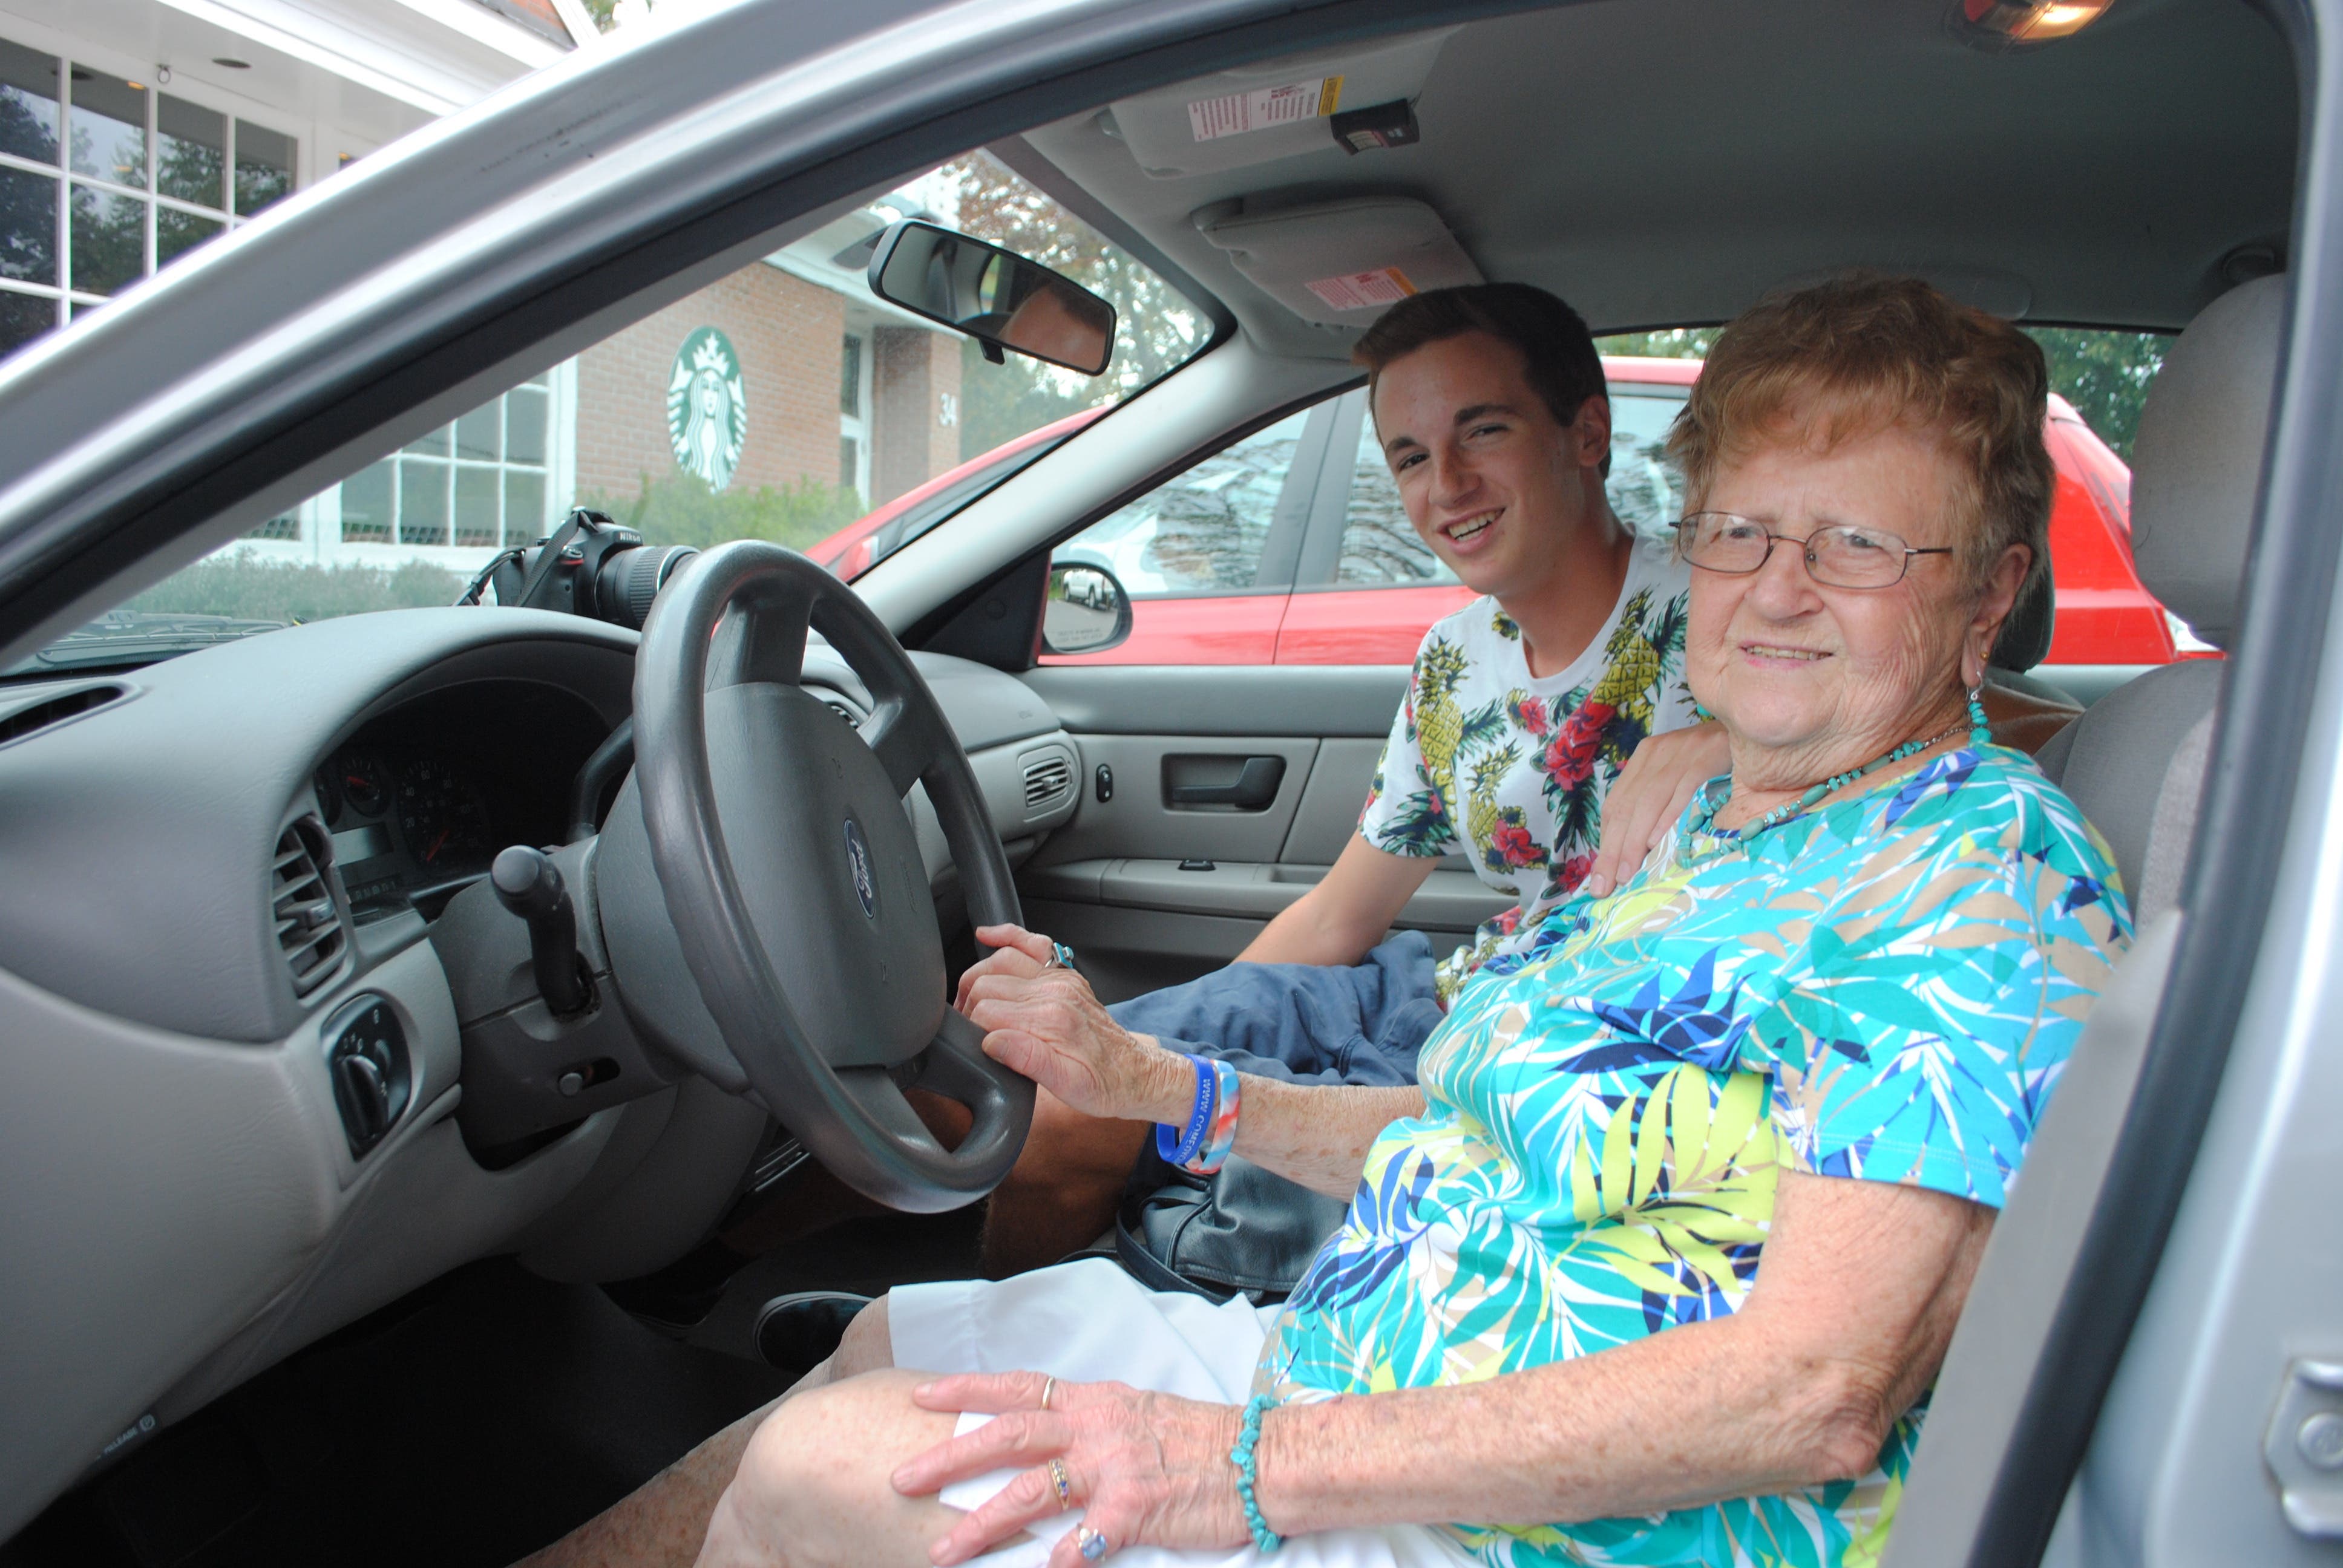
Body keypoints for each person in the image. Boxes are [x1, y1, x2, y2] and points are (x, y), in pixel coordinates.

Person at [524, 274, 2132, 1568]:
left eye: (1859, 547)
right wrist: (1166, 1089)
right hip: (1368, 1377)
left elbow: (1814, 1391)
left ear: (1987, 597)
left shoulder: (1977, 873)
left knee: (827, 1474)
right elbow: (1473, 1128)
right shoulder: (1720, 823)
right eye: (1742, 531)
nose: (1778, 588)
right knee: (886, 1344)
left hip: (1545, 1522)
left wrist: (1238, 1467)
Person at [978, 283, 1723, 1275]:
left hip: (1539, 1051)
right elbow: (1340, 915)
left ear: (1587, 432)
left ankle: (982, 1346)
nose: (1446, 484)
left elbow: (1931, 731)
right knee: (1048, 1083)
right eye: (1410, 457)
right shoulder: (1454, 659)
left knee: (1082, 1126)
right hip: (1429, 993)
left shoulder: (1726, 621)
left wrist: (1726, 742)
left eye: (1483, 431)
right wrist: (1178, 1032)